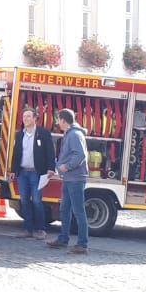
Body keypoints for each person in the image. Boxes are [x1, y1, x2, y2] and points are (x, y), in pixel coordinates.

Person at [47, 108, 89, 253]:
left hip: (75, 178)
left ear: (63, 120)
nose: (57, 122)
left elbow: (80, 155)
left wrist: (67, 166)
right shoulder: (71, 134)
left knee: (78, 211)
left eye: (58, 119)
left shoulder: (74, 135)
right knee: (65, 209)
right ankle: (63, 239)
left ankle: (82, 244)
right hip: (70, 178)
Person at [13, 106, 56, 239]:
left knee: (37, 201)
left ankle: (40, 229)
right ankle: (27, 229)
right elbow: (16, 153)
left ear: (35, 118)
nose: (25, 119)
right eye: (24, 116)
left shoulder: (43, 133)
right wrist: (13, 171)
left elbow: (50, 151)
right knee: (24, 201)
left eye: (28, 116)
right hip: (22, 173)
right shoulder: (20, 134)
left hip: (36, 173)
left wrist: (51, 168)